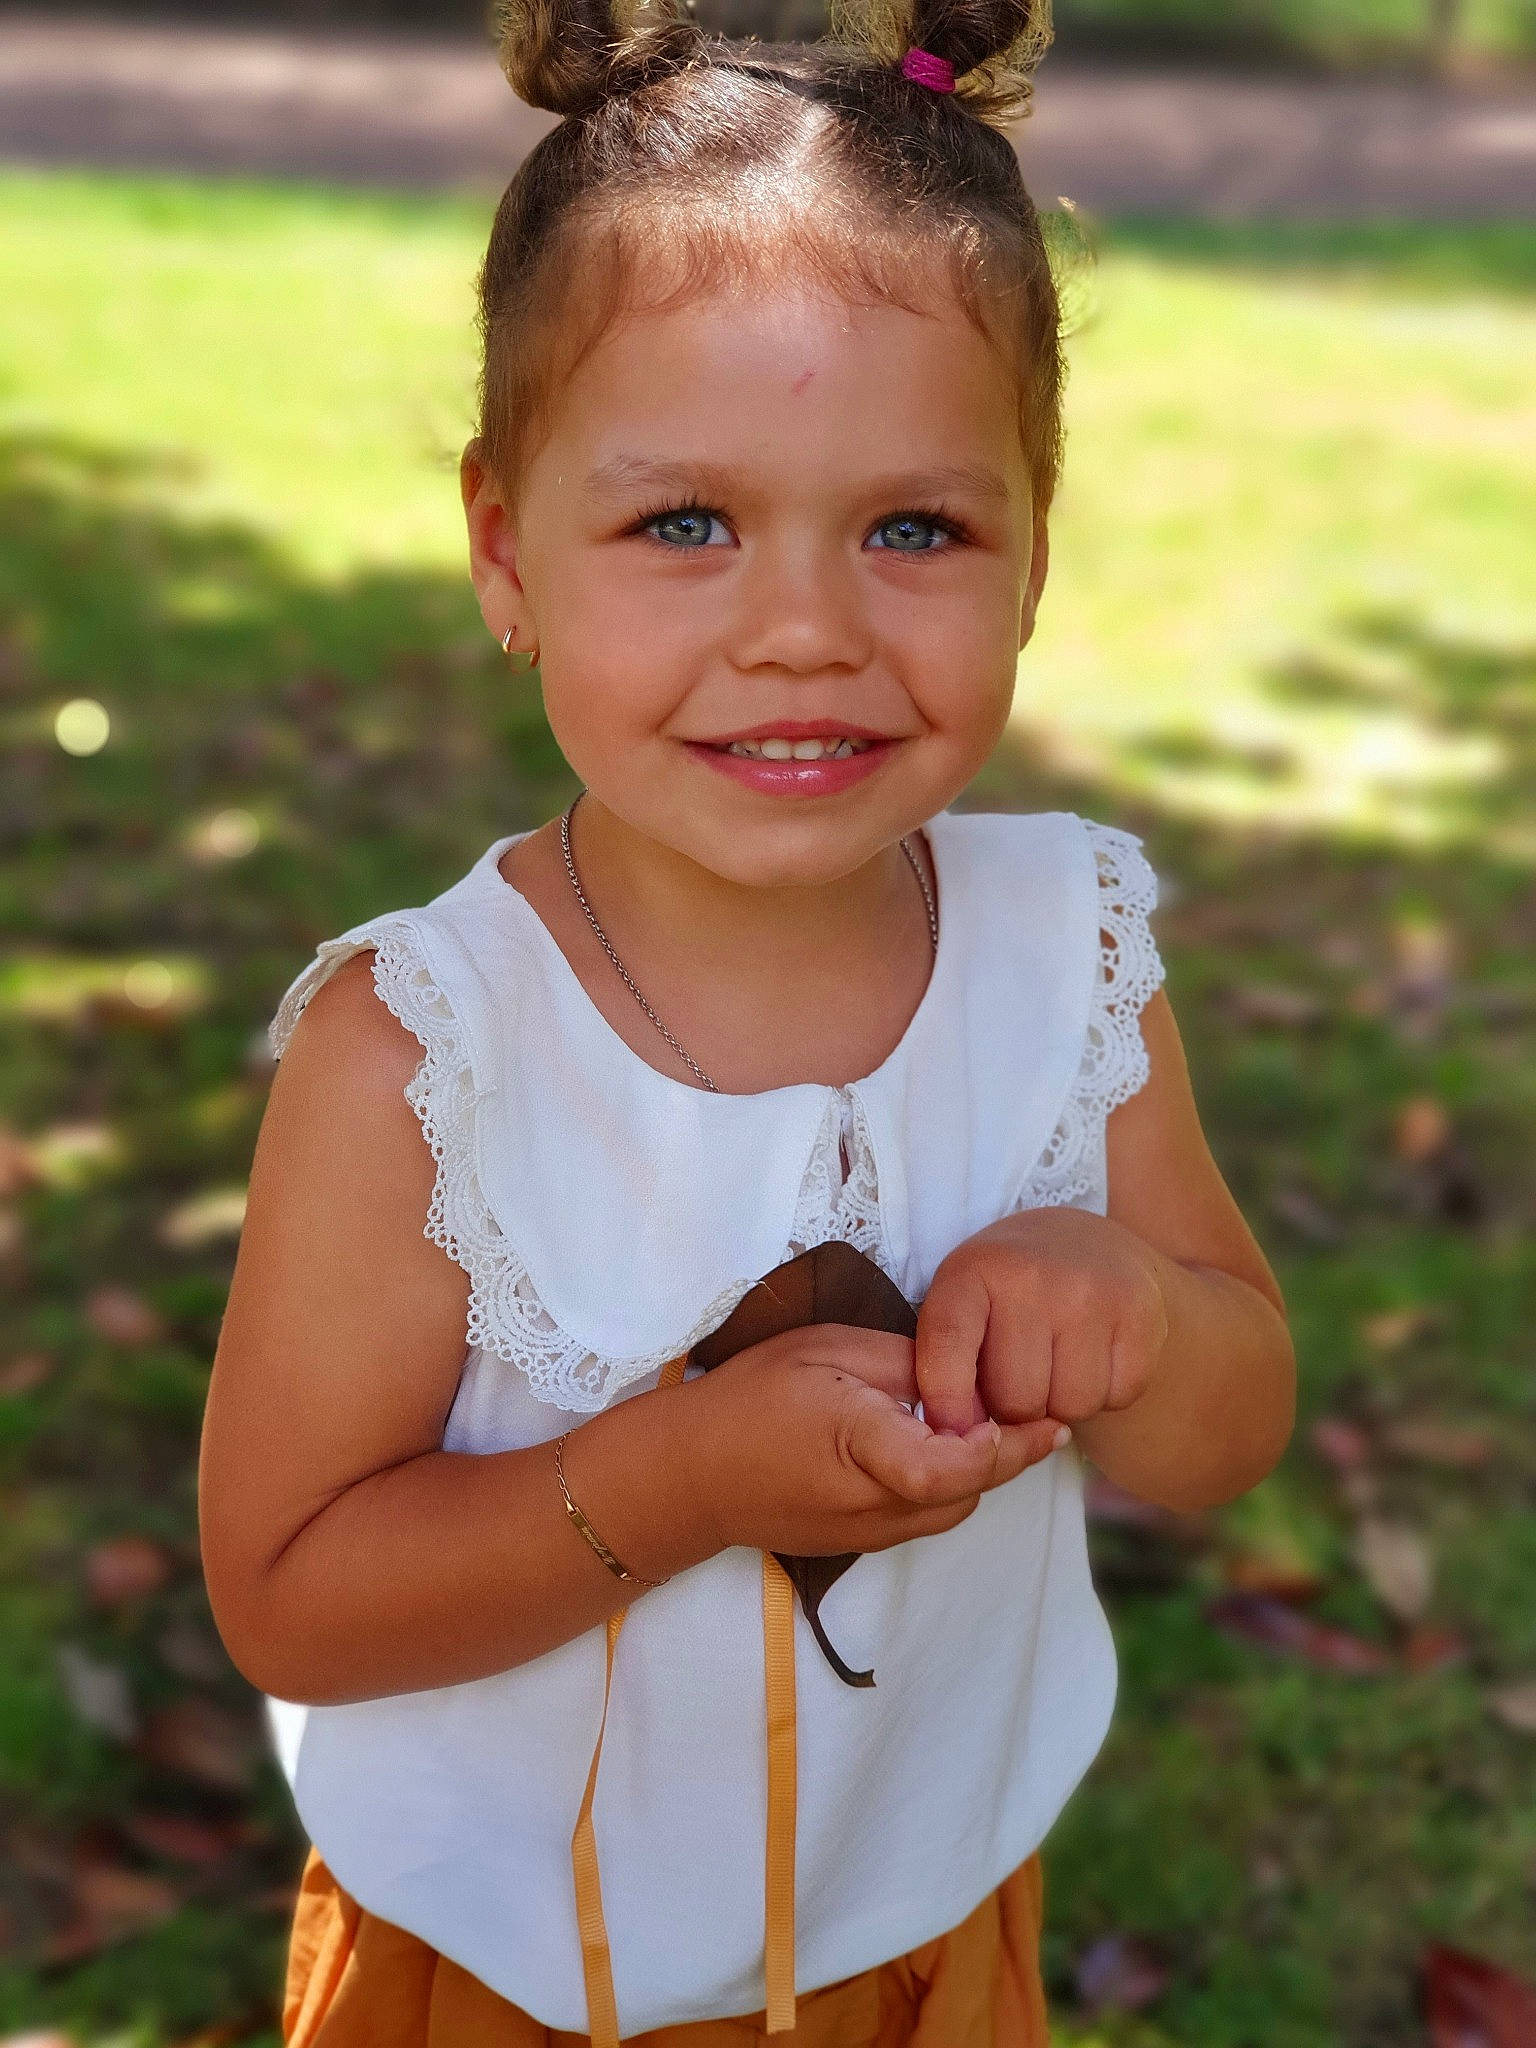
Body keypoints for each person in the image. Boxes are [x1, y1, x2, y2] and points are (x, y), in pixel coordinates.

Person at [197, 0, 1296, 2038]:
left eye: (914, 528)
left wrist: (1137, 1309)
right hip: (517, 1974)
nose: (805, 629)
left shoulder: (1063, 955)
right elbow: (290, 1590)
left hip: (919, 1940)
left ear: (1035, 550)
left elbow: (1232, 1425)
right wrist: (682, 1479)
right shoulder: (424, 1054)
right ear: (506, 549)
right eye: (685, 524)